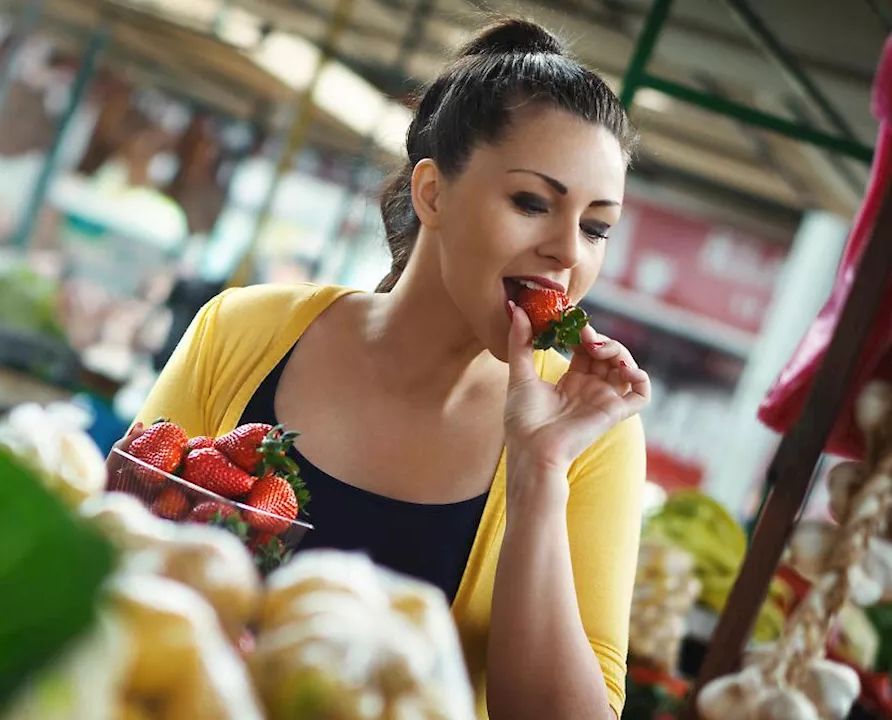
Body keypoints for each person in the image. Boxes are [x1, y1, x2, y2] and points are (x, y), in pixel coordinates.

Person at [115, 18, 650, 720]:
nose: (567, 252)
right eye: (532, 203)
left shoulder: (591, 434)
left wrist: (539, 471)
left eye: (595, 227)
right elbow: (112, 550)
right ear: (433, 193)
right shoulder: (242, 329)